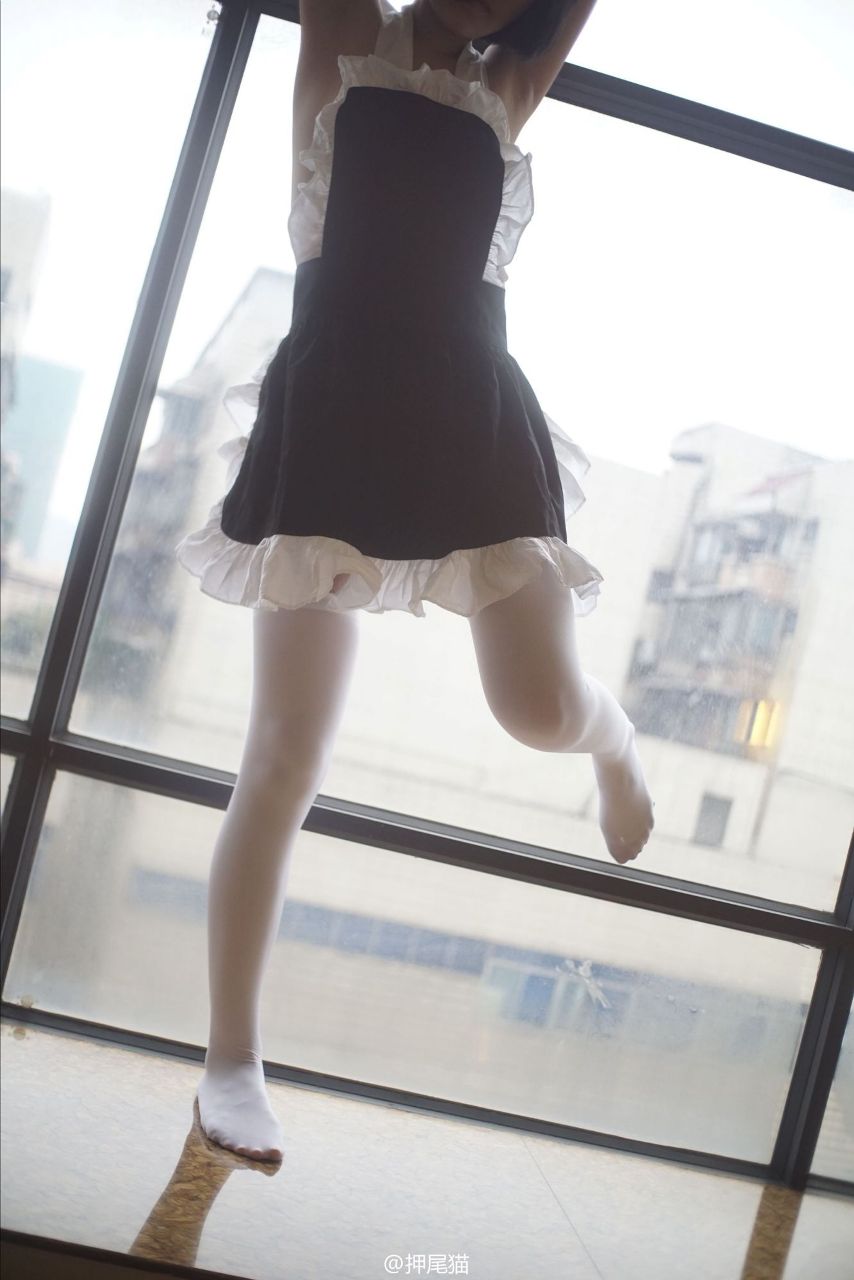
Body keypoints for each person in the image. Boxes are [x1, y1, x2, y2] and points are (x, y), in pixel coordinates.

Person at [175, 0, 655, 1163]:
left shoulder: (507, 87)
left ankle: (612, 740)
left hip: (473, 415)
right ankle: (230, 1060)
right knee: (281, 754)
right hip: (332, 409)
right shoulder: (347, 36)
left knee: (537, 707)